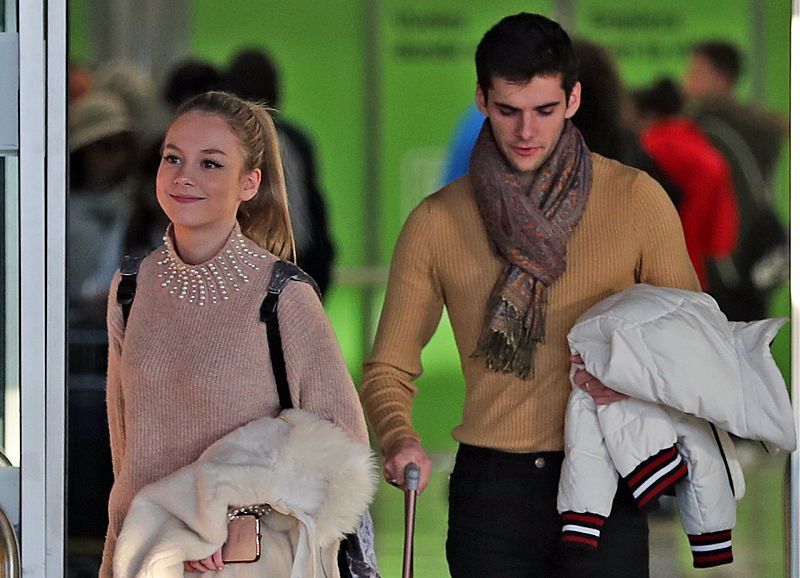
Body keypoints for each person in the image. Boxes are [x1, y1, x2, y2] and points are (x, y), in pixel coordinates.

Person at [359, 13, 699, 577]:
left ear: (573, 100)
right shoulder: (437, 221)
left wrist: (634, 380)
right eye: (508, 110)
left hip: (607, 478)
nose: (525, 131)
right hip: (491, 495)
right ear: (481, 100)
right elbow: (387, 369)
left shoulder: (636, 200)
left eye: (544, 110)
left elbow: (692, 340)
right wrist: (398, 437)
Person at [99, 91, 371, 576]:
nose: (184, 176)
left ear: (249, 183)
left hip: (245, 559)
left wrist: (227, 515)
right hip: (149, 556)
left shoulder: (282, 295)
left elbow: (343, 450)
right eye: (173, 158)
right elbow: (127, 452)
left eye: (210, 163)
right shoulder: (132, 287)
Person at [683, 40, 789, 320]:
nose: (687, 79)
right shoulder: (758, 128)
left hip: (721, 259)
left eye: (696, 71)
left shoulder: (710, 128)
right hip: (752, 256)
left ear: (721, 78)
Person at [227, 48, 336, 298]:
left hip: (261, 269)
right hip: (293, 266)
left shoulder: (231, 145)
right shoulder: (295, 143)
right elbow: (309, 219)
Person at [634, 78, 738, 290]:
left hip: (665, 263)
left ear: (648, 114)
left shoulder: (651, 145)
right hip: (703, 262)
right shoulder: (701, 144)